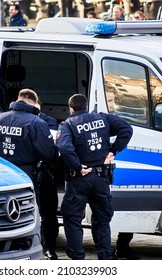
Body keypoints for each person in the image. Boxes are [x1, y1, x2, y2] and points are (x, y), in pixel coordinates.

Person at [56, 93, 133, 260]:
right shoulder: (102, 118)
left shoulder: (67, 124)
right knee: (102, 219)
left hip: (79, 178)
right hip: (101, 178)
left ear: (71, 109)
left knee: (73, 218)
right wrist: (113, 150)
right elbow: (126, 129)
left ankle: (78, 259)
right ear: (86, 107)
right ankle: (105, 257)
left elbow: (65, 148)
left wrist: (77, 166)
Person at [0, 89, 59, 259]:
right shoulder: (36, 122)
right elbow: (47, 153)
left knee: (2, 212)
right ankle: (28, 250)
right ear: (33, 103)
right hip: (26, 174)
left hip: (2, 173)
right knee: (27, 213)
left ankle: (3, 250)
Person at [34, 100, 60, 260]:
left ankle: (49, 248)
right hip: (29, 172)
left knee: (49, 214)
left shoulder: (48, 121)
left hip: (45, 172)